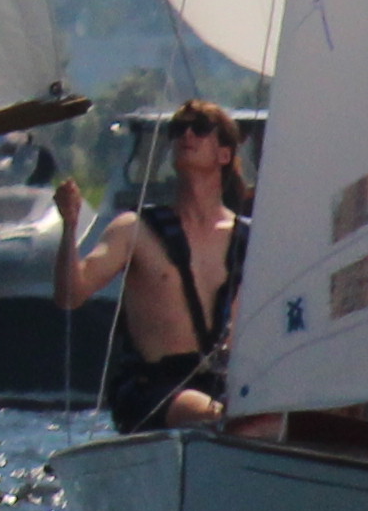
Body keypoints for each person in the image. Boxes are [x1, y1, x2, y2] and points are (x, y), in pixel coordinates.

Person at [55, 102, 247, 431]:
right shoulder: (134, 229)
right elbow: (71, 295)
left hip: (224, 387)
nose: (186, 134)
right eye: (178, 129)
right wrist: (70, 227)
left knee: (270, 421)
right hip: (150, 390)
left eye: (199, 127)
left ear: (224, 155)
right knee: (219, 416)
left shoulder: (249, 239)